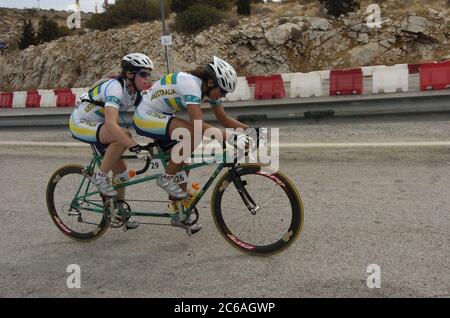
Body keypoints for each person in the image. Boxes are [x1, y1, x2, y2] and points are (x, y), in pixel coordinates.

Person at [133, 56, 256, 230]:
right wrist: (232, 137)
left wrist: (251, 131)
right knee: (193, 134)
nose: (223, 96)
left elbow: (223, 118)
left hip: (161, 117)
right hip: (145, 117)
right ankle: (165, 179)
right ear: (211, 82)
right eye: (222, 92)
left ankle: (179, 213)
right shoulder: (191, 85)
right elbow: (198, 125)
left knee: (184, 164)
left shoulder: (208, 88)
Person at [69, 53, 154, 229]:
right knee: (125, 136)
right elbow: (111, 124)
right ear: (130, 74)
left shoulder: (135, 93)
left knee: (121, 172)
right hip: (81, 122)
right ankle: (100, 177)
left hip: (100, 128)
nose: (148, 79)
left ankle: (119, 211)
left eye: (149, 74)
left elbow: (148, 117)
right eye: (143, 74)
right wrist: (136, 148)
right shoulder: (115, 87)